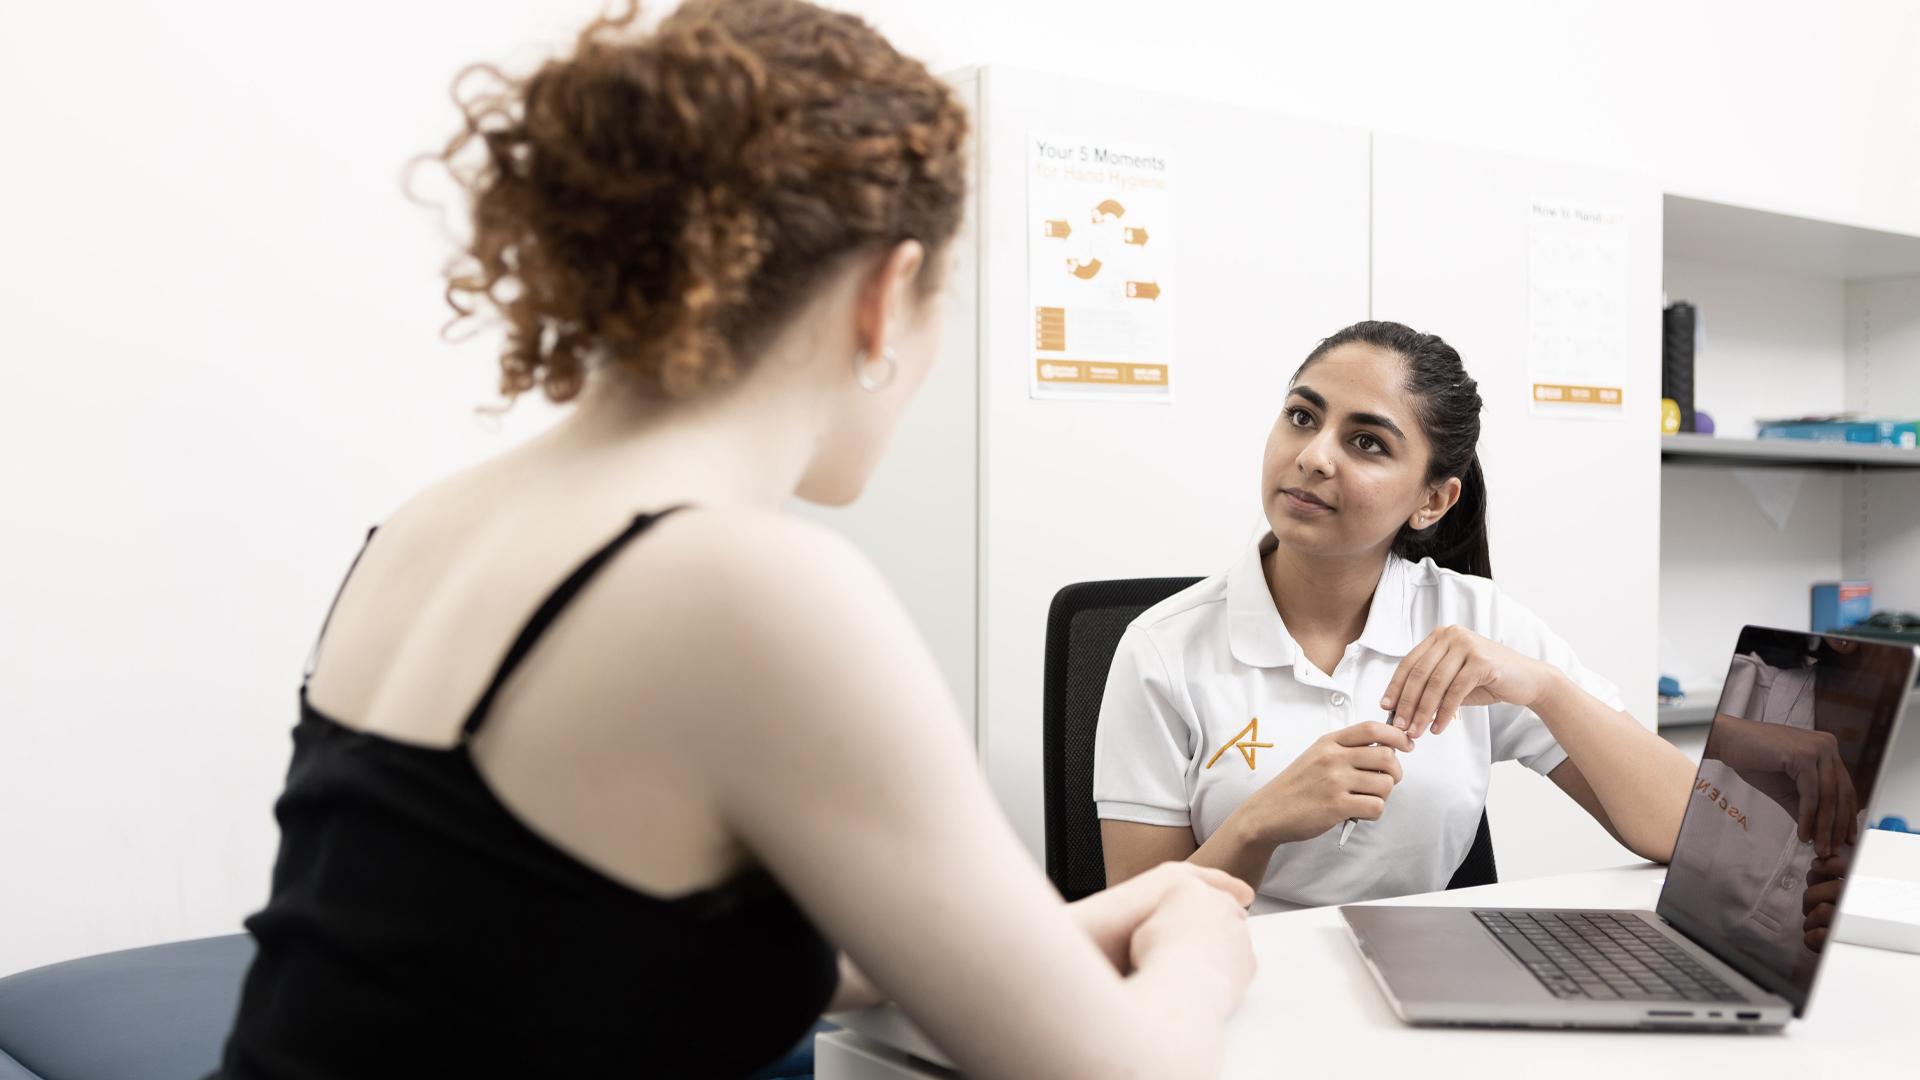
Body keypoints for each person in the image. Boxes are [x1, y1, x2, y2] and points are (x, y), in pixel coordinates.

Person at [214, 3, 1254, 1078]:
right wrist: (1199, 955)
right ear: (885, 293)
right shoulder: (745, 587)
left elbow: (616, 949)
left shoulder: (427, 522)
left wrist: (1116, 910)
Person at [1095, 320, 1699, 914]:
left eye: (1367, 442)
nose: (1313, 456)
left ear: (1432, 500)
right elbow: (1136, 926)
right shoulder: (1163, 649)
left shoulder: (1471, 619)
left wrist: (1545, 688)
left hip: (1426, 981)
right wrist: (1256, 824)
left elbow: (1686, 836)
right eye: (1302, 416)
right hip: (1229, 977)